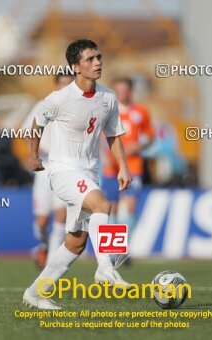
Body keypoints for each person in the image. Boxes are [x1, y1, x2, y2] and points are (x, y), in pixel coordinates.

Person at [22, 39, 132, 310]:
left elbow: (114, 134)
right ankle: (106, 267)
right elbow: (38, 121)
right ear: (76, 66)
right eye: (90, 59)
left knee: (76, 242)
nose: (97, 63)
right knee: (103, 205)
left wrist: (123, 166)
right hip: (62, 169)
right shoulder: (60, 98)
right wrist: (33, 155)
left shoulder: (108, 97)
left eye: (99, 57)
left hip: (89, 172)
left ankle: (36, 293)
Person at [22, 73, 74, 269]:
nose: (65, 89)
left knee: (61, 214)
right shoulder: (42, 106)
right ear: (55, 86)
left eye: (69, 85)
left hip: (64, 168)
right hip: (44, 168)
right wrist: (33, 153)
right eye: (62, 84)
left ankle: (52, 261)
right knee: (42, 220)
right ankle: (43, 244)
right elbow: (28, 131)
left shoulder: (77, 108)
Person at [101, 78, 154, 262]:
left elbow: (149, 135)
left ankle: (124, 249)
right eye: (118, 90)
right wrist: (105, 154)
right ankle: (112, 253)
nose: (122, 93)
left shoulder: (141, 111)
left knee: (130, 207)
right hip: (110, 167)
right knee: (111, 208)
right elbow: (99, 137)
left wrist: (138, 145)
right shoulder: (107, 111)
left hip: (133, 166)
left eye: (125, 90)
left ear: (130, 91)